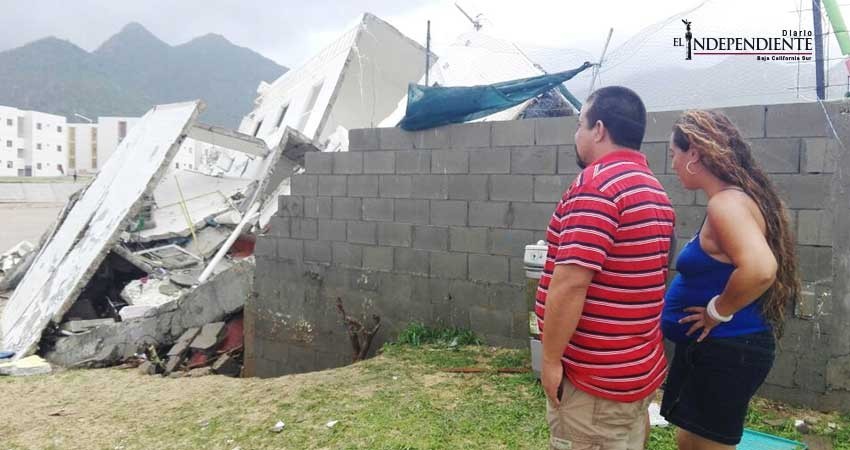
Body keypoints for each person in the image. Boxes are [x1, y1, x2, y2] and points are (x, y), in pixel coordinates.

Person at [537, 86, 675, 450]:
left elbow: (569, 285)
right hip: (634, 372)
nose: (576, 134)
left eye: (580, 124)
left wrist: (549, 361)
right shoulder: (654, 190)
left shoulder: (597, 186)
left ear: (599, 129)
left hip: (594, 384)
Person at [660, 110, 801, 450]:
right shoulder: (732, 200)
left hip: (728, 350)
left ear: (693, 153)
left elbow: (760, 269)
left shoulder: (726, 204)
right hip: (716, 350)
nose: (673, 165)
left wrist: (715, 311)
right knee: (688, 441)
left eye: (674, 155)